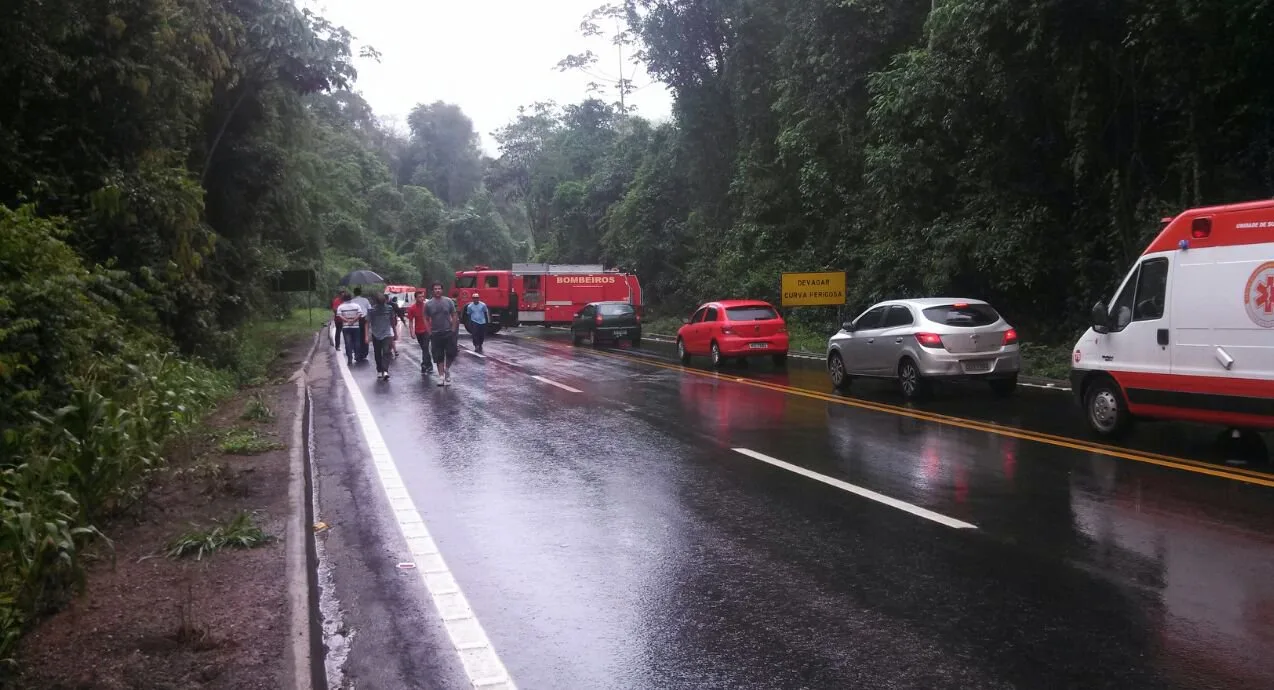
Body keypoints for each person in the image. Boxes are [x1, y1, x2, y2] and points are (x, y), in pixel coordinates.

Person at [424, 281, 459, 386]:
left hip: (448, 332)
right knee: (438, 356)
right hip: (435, 333)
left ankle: (447, 369)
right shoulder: (428, 304)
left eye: (439, 288)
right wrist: (429, 331)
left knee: (452, 353)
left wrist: (453, 329)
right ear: (432, 291)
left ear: (442, 290)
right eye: (435, 289)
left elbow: (454, 315)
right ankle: (441, 377)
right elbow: (425, 318)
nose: (437, 290)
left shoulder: (449, 301)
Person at [366, 292, 398, 380]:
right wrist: (366, 335)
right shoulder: (372, 310)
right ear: (376, 302)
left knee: (386, 351)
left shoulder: (389, 308)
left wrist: (395, 333)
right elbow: (367, 323)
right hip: (376, 334)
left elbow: (392, 321)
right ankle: (379, 370)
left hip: (386, 333)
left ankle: (385, 370)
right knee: (377, 353)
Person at [405, 288, 433, 375]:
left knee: (425, 347)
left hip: (426, 330)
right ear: (416, 298)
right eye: (419, 297)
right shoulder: (412, 308)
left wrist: (431, 328)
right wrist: (411, 332)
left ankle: (424, 365)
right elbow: (410, 321)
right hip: (418, 331)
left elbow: (431, 318)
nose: (422, 298)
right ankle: (429, 365)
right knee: (424, 349)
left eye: (422, 297)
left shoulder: (427, 306)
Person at [334, 293, 366, 366]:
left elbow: (339, 315)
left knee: (348, 343)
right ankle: (357, 356)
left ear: (343, 299)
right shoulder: (356, 306)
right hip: (356, 326)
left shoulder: (341, 307)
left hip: (346, 327)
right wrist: (354, 320)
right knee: (357, 342)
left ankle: (349, 359)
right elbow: (360, 314)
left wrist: (347, 320)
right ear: (351, 298)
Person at [350, 287, 372, 362]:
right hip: (364, 319)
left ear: (354, 293)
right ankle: (364, 353)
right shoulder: (365, 300)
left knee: (356, 337)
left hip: (356, 320)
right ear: (360, 293)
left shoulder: (352, 301)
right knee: (365, 336)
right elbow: (370, 309)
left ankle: (357, 353)